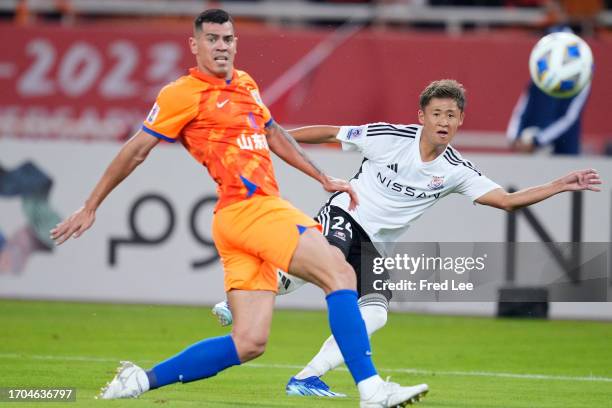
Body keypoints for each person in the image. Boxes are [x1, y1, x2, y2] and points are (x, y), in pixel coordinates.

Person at [49, 9, 429, 407]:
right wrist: (91, 205)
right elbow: (136, 150)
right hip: (253, 208)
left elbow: (274, 134)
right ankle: (372, 391)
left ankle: (140, 380)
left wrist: (322, 177)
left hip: (233, 221)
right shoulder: (181, 93)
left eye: (227, 39)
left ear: (236, 43)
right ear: (194, 45)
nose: (221, 46)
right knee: (340, 273)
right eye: (212, 39)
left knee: (249, 342)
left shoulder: (246, 83)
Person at [212, 79, 602, 397]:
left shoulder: (455, 170)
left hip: (376, 245)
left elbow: (506, 201)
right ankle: (243, 299)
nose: (443, 121)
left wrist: (560, 183)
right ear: (422, 117)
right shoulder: (389, 137)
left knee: (376, 313)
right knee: (325, 266)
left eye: (451, 114)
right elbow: (332, 132)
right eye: (436, 113)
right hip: (346, 213)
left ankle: (307, 377)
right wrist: (269, 140)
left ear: (461, 120)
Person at [507, 26, 591, 155]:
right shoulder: (541, 74)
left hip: (564, 150)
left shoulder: (581, 78)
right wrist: (514, 135)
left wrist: (538, 140)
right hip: (531, 147)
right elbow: (524, 106)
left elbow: (568, 118)